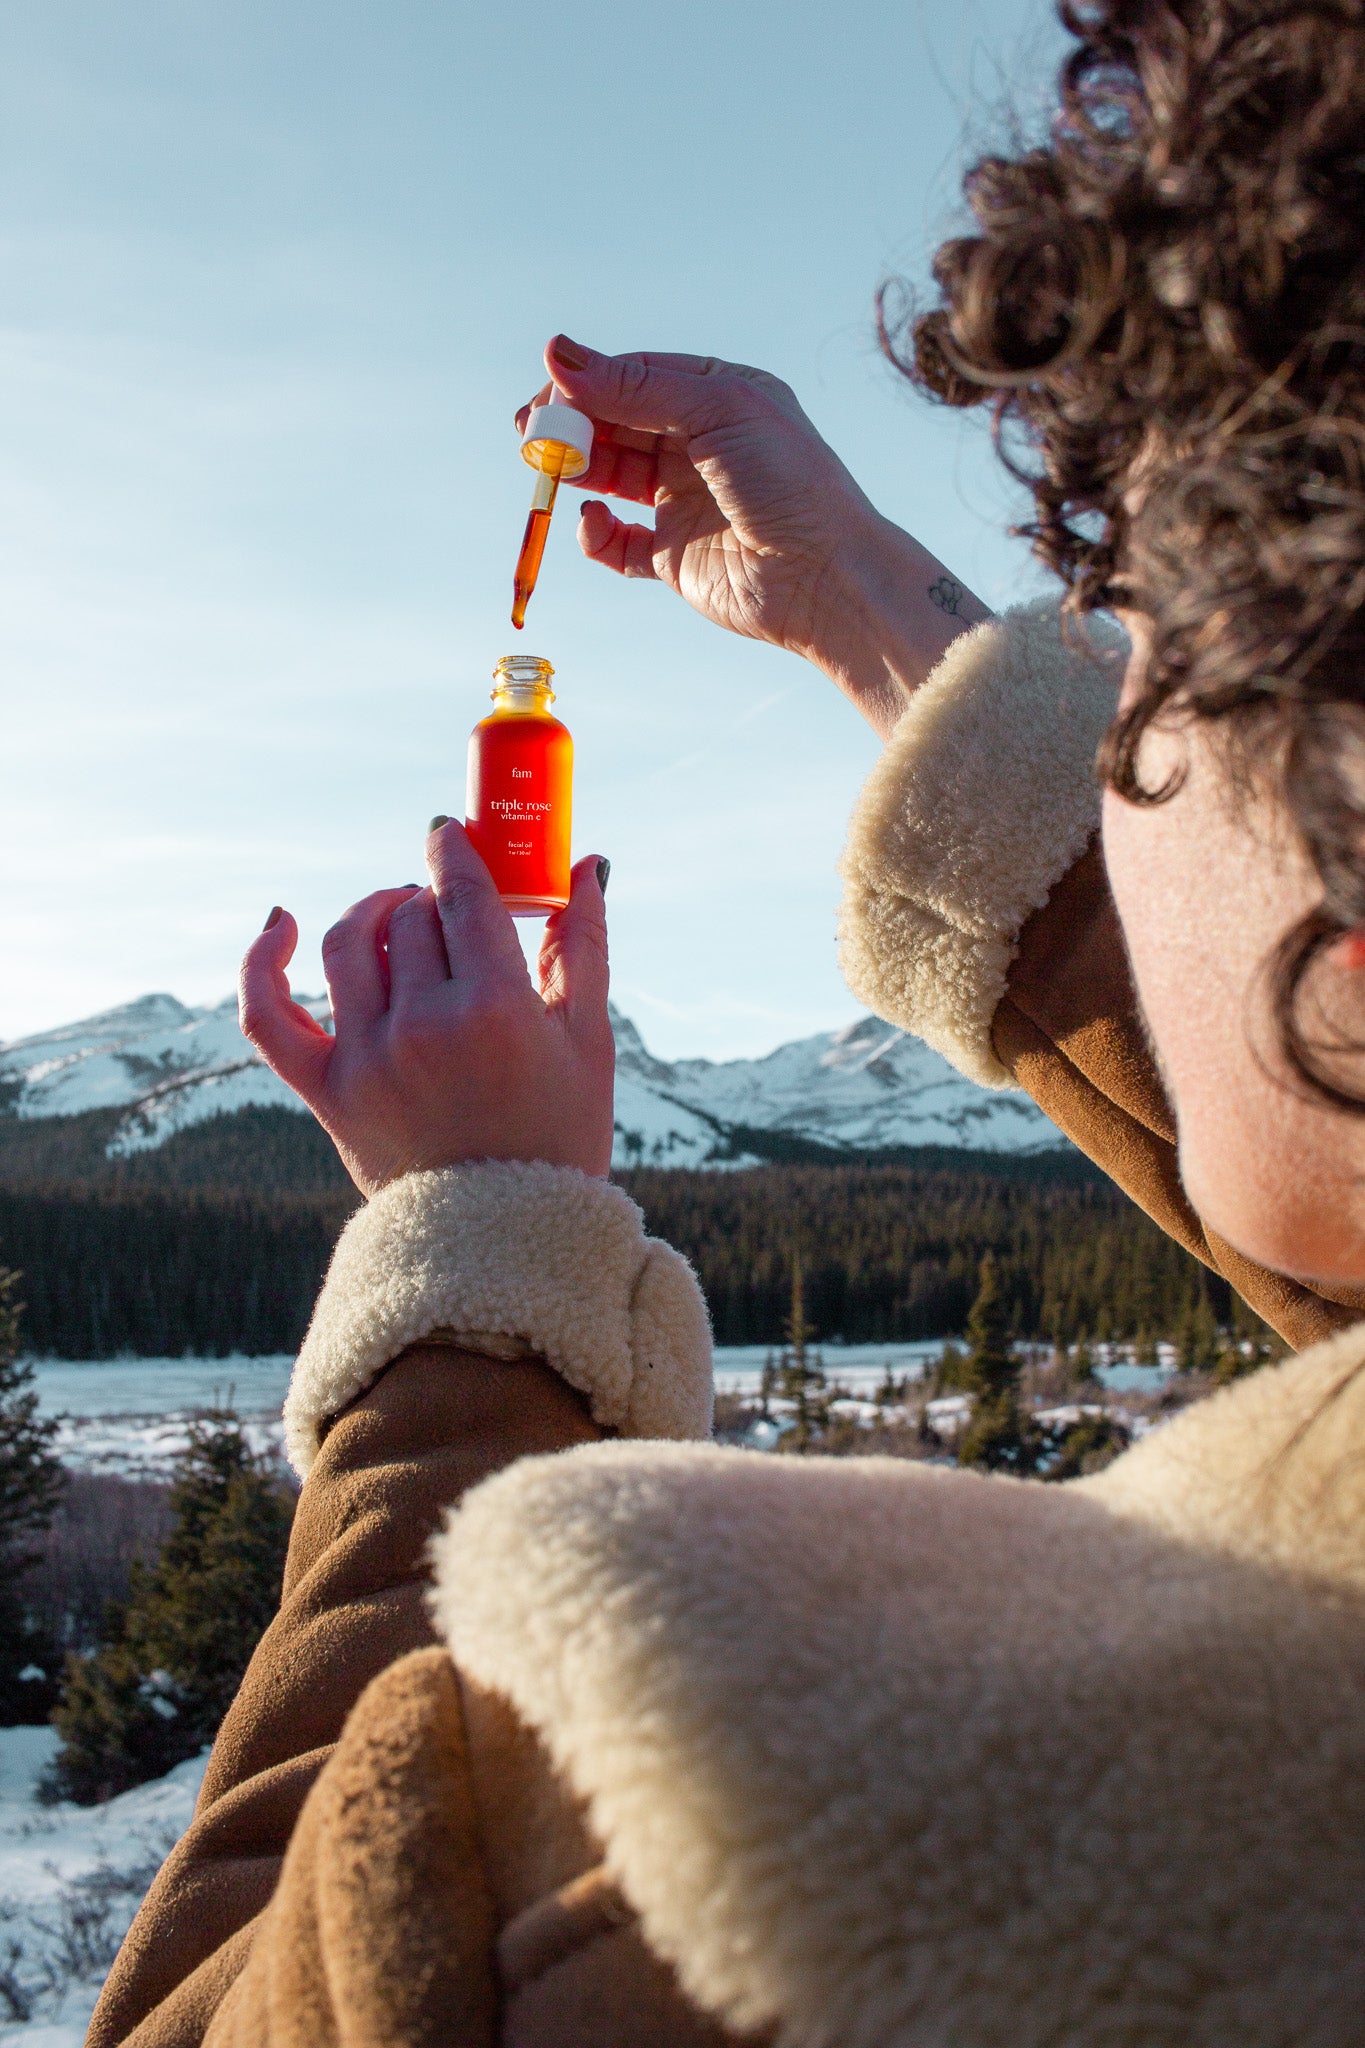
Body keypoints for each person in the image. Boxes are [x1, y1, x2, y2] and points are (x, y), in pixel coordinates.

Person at [90, 2, 1365, 2041]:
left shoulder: (738, 1834)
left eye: (1152, 682)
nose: (1118, 731)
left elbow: (214, 2004)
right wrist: (858, 596)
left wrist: (473, 1273)